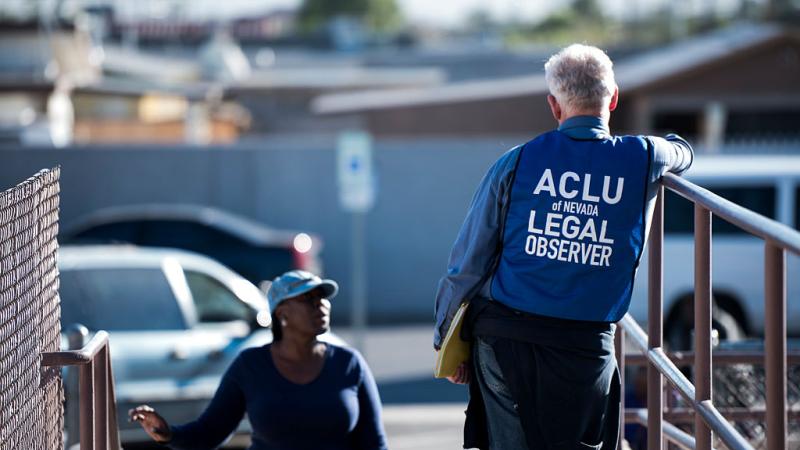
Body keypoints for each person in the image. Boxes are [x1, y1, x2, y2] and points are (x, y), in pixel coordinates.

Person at [434, 44, 694, 450]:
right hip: (583, 346)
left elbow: (467, 261)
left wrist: (447, 341)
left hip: (502, 338)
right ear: (614, 99)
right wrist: (678, 145)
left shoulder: (515, 162)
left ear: (554, 107)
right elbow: (680, 153)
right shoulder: (643, 157)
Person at [130, 270, 388, 450]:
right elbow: (210, 432)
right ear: (282, 313)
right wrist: (168, 434)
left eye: (322, 297)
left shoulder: (349, 364)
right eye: (308, 299)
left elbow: (374, 444)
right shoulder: (250, 366)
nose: (320, 305)